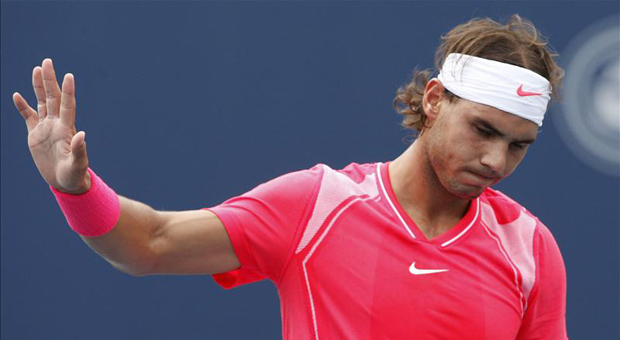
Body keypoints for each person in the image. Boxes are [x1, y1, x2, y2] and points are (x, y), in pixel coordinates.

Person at [13, 14, 567, 340]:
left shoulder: (530, 250)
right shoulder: (318, 206)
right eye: (483, 130)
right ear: (433, 100)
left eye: (519, 145)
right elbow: (149, 245)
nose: (496, 162)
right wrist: (76, 190)